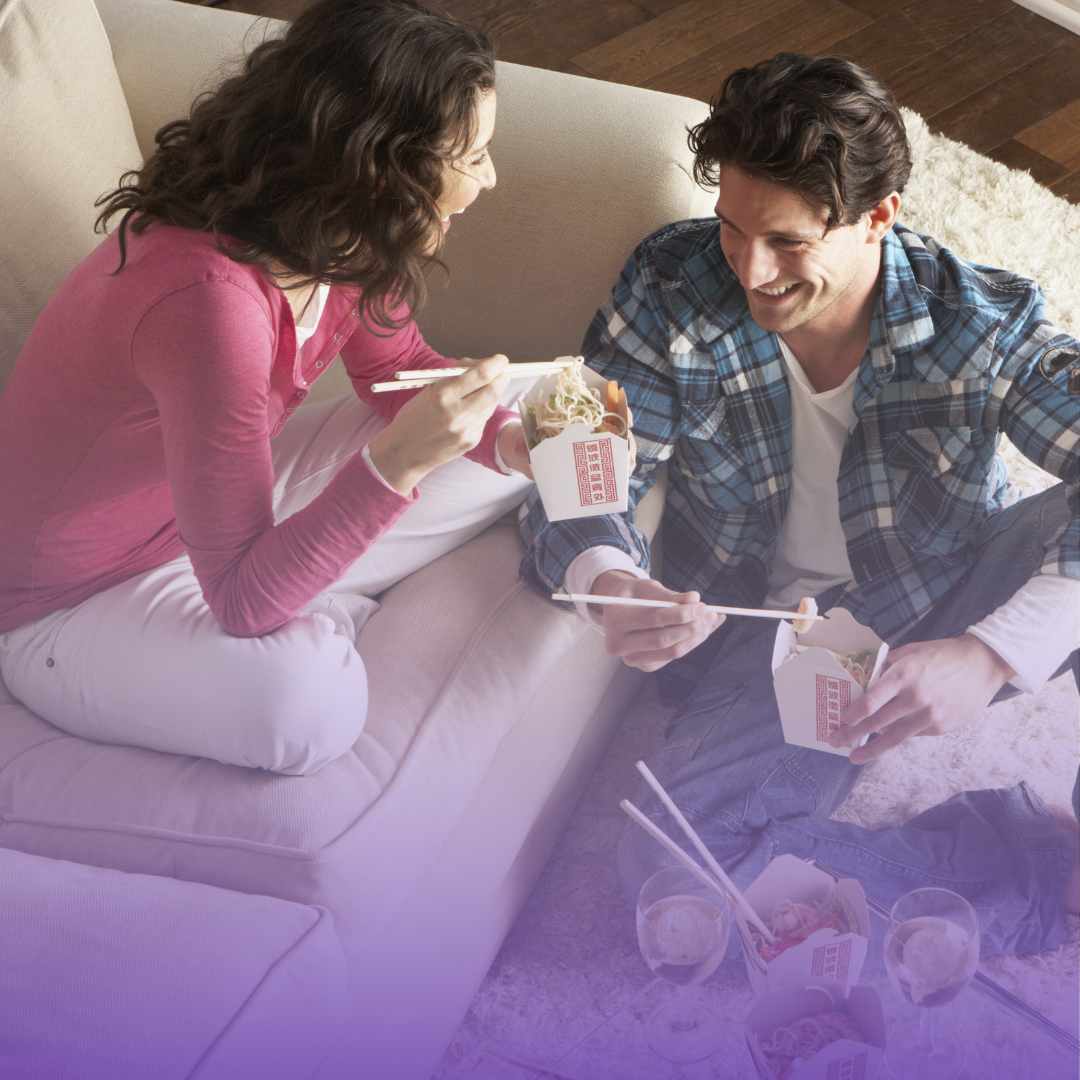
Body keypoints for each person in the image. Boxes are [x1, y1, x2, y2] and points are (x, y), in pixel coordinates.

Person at [520, 53, 1080, 956]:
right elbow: (574, 448)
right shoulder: (673, 284)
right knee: (676, 883)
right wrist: (611, 574)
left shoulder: (982, 320)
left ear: (879, 217)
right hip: (775, 640)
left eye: (787, 241)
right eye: (733, 230)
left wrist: (988, 653)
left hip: (953, 586)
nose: (751, 269)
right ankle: (1015, 863)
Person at [0, 0, 536, 775]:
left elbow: (394, 368)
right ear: (383, 160)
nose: (489, 178)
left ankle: (313, 582)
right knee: (308, 708)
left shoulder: (345, 237)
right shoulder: (209, 305)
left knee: (527, 429)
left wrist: (511, 439)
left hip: (206, 522)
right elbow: (243, 600)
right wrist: (398, 467)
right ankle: (313, 608)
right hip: (71, 602)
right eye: (473, 154)